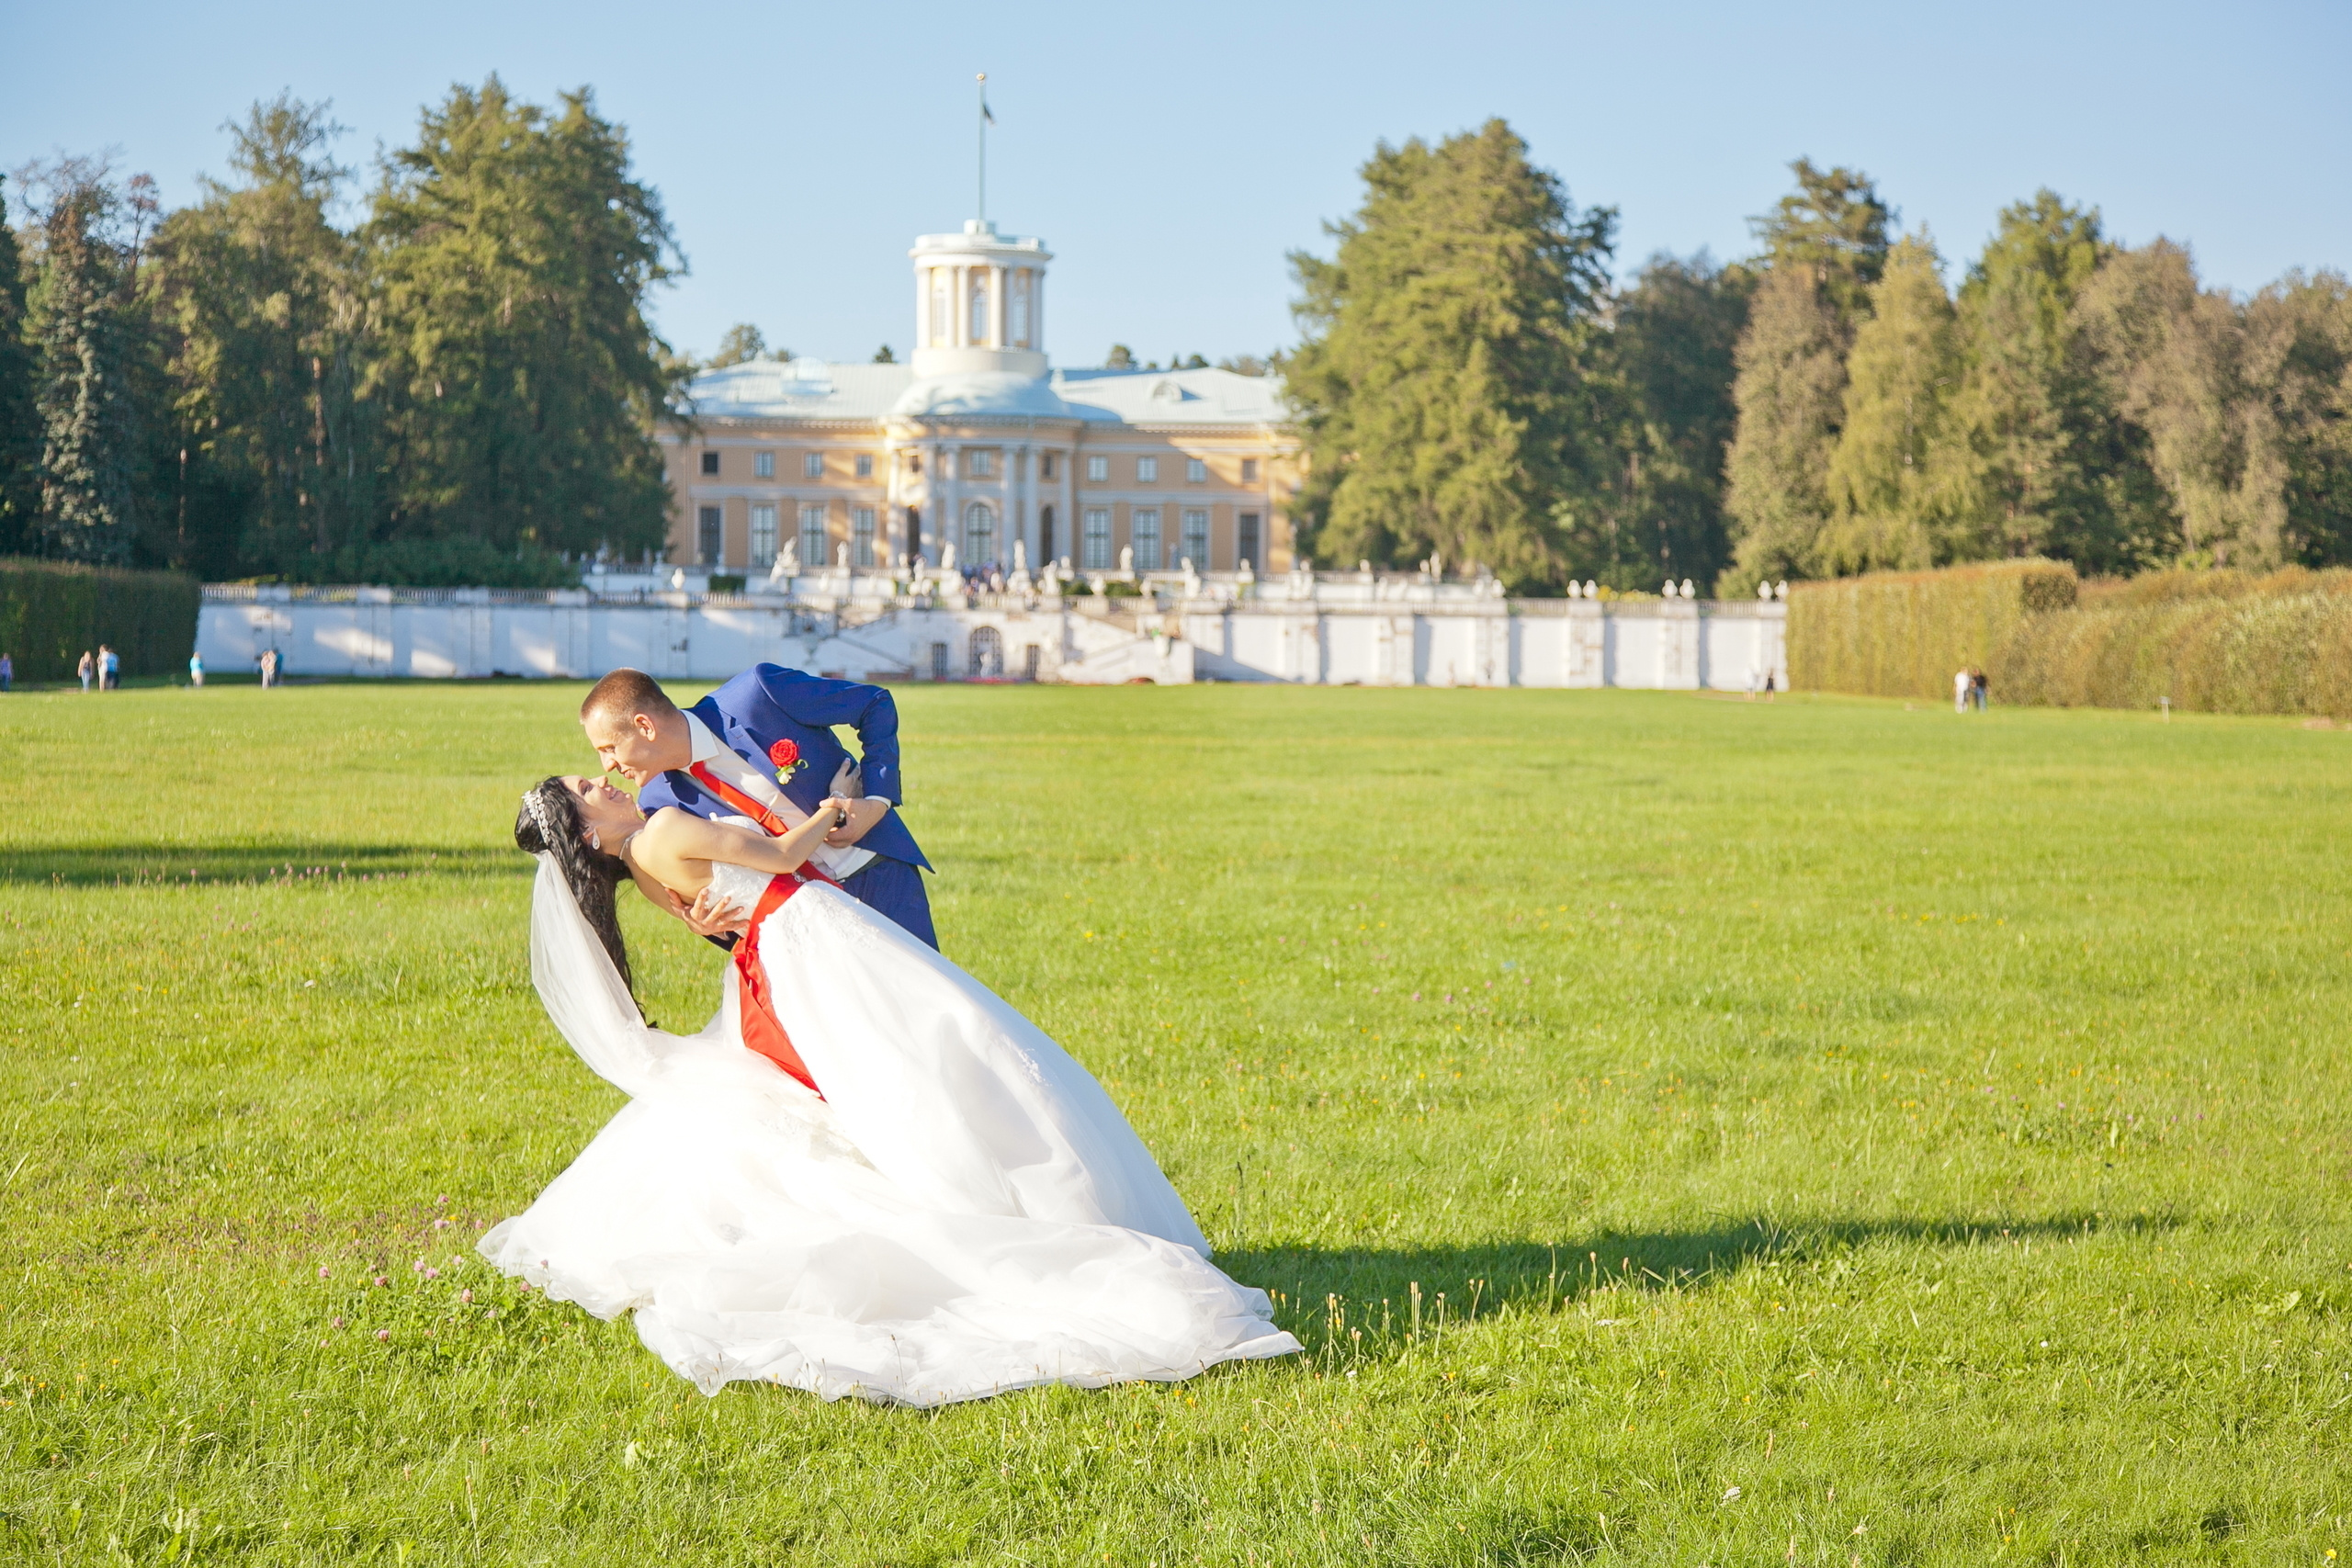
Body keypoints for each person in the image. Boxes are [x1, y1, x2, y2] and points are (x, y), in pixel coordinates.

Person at [495, 776, 1299, 1404]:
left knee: (914, 1058)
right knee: (943, 1045)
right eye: (588, 790)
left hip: (788, 946)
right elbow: (776, 861)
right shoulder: (661, 830)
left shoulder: (639, 869)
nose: (605, 782)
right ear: (589, 829)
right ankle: (1017, 1196)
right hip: (815, 933)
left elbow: (726, 913)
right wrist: (832, 812)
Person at [582, 665, 938, 952]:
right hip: (811, 929)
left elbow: (874, 702)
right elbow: (717, 893)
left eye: (610, 747)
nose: (607, 765)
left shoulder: (756, 696)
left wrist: (876, 802)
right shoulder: (659, 803)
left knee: (932, 1013)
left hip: (882, 874)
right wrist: (703, 925)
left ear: (644, 726)